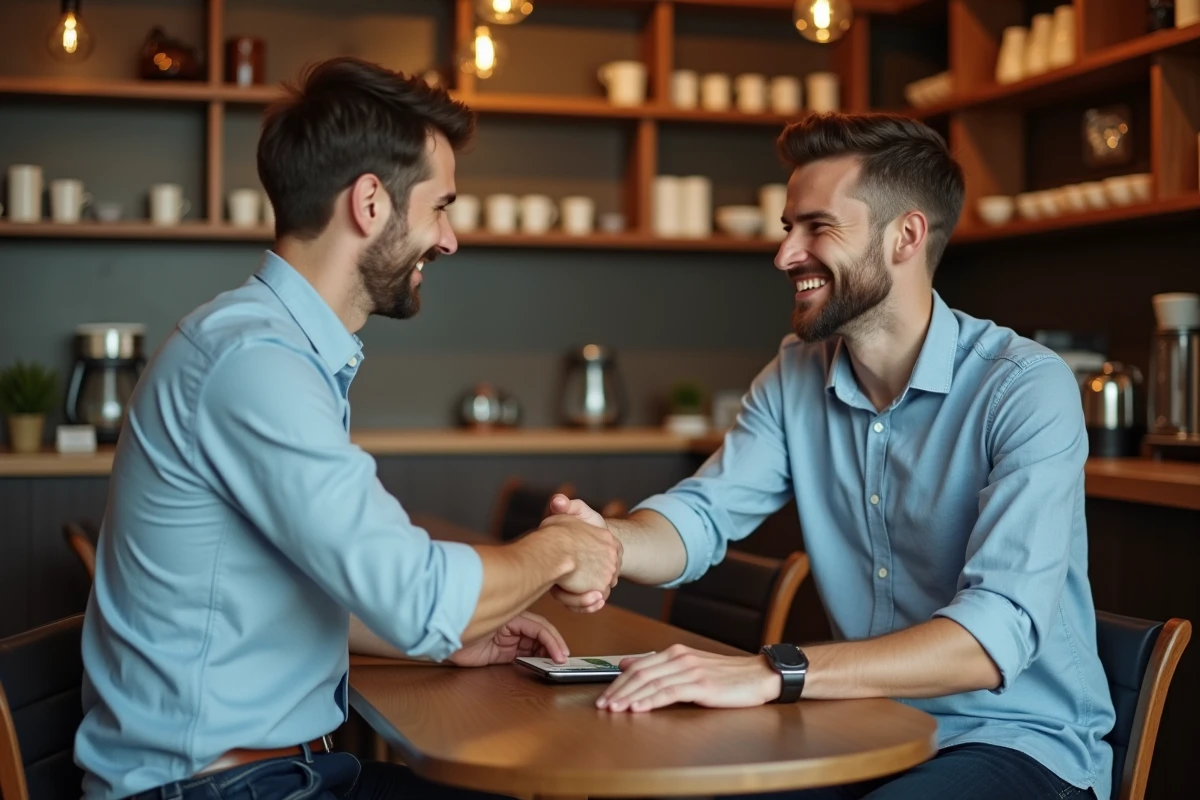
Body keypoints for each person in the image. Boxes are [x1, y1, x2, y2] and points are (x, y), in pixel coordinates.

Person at [74, 57, 622, 800]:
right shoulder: (255, 363)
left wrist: (446, 644)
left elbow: (300, 592)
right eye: (440, 207)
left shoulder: (271, 348)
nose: (449, 239)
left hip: (262, 776)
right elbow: (415, 595)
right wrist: (559, 548)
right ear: (369, 203)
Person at [547, 112, 1115, 800]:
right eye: (789, 227)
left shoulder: (1023, 385)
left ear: (906, 236)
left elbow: (992, 635)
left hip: (1018, 741)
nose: (785, 254)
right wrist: (604, 545)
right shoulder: (795, 374)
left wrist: (773, 671)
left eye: (818, 227)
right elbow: (702, 516)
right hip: (862, 727)